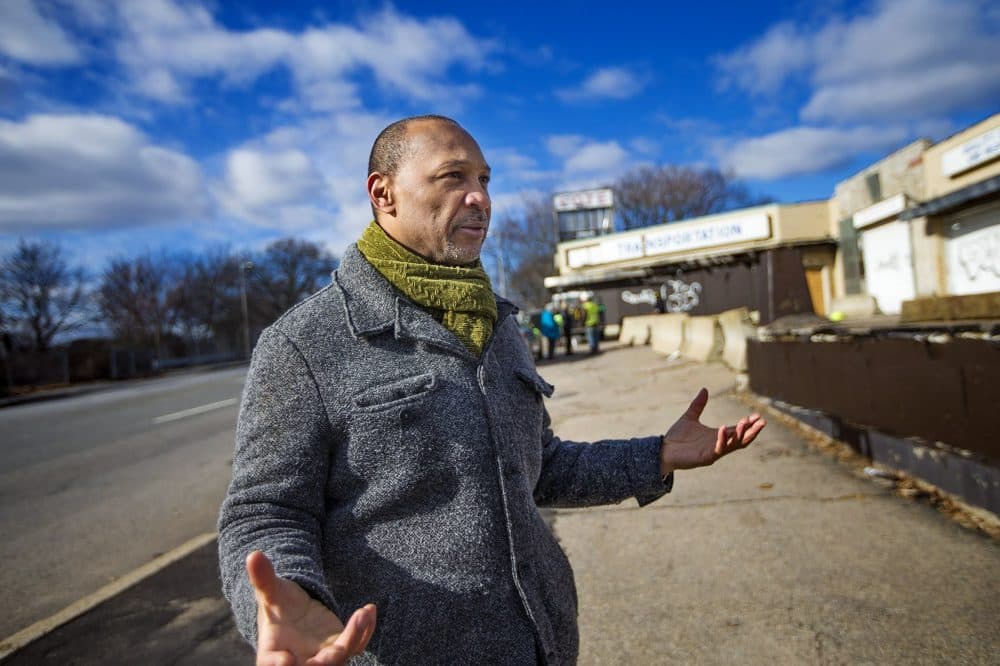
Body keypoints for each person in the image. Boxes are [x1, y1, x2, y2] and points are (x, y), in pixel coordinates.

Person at [218, 114, 766, 666]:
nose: (480, 198)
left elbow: (540, 468)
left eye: (485, 180)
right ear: (383, 194)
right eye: (453, 177)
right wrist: (287, 596)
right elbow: (265, 512)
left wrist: (657, 455)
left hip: (543, 643)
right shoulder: (303, 343)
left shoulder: (499, 323)